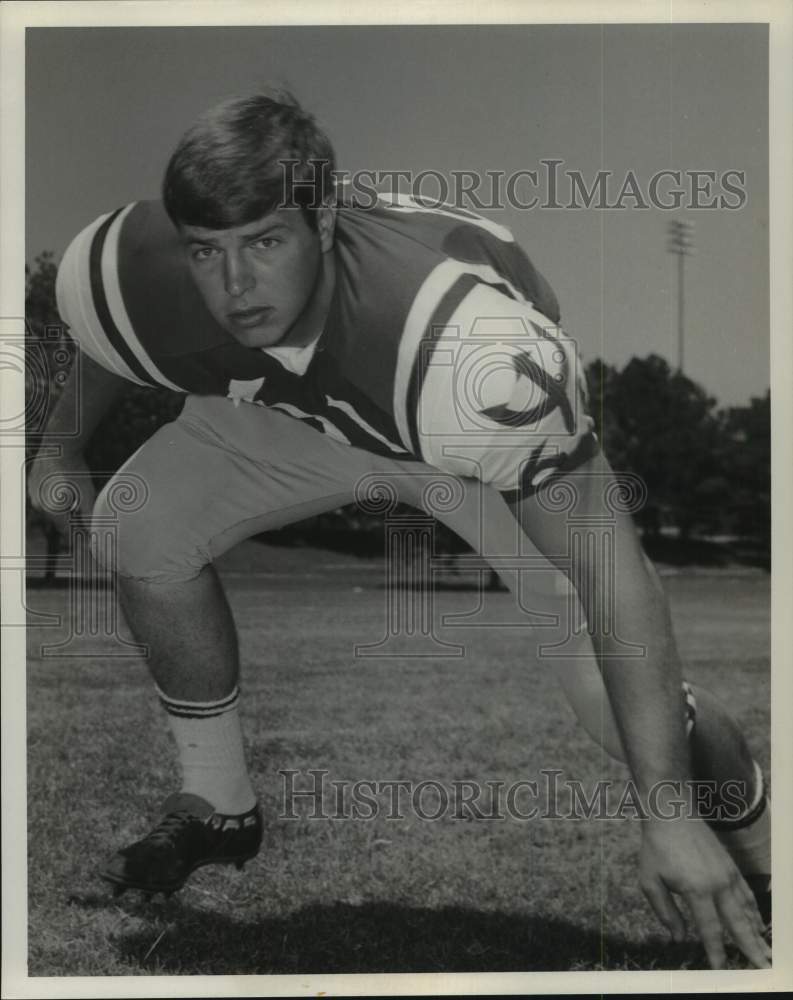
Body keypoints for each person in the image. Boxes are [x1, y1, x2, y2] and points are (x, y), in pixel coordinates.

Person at [29, 92, 771, 970]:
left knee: (617, 704)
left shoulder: (476, 359)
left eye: (265, 242)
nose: (233, 286)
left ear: (326, 220)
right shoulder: (140, 268)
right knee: (141, 522)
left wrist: (668, 816)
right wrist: (59, 448)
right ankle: (219, 804)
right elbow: (117, 334)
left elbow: (616, 574)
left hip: (440, 423)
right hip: (301, 412)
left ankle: (766, 856)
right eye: (207, 252)